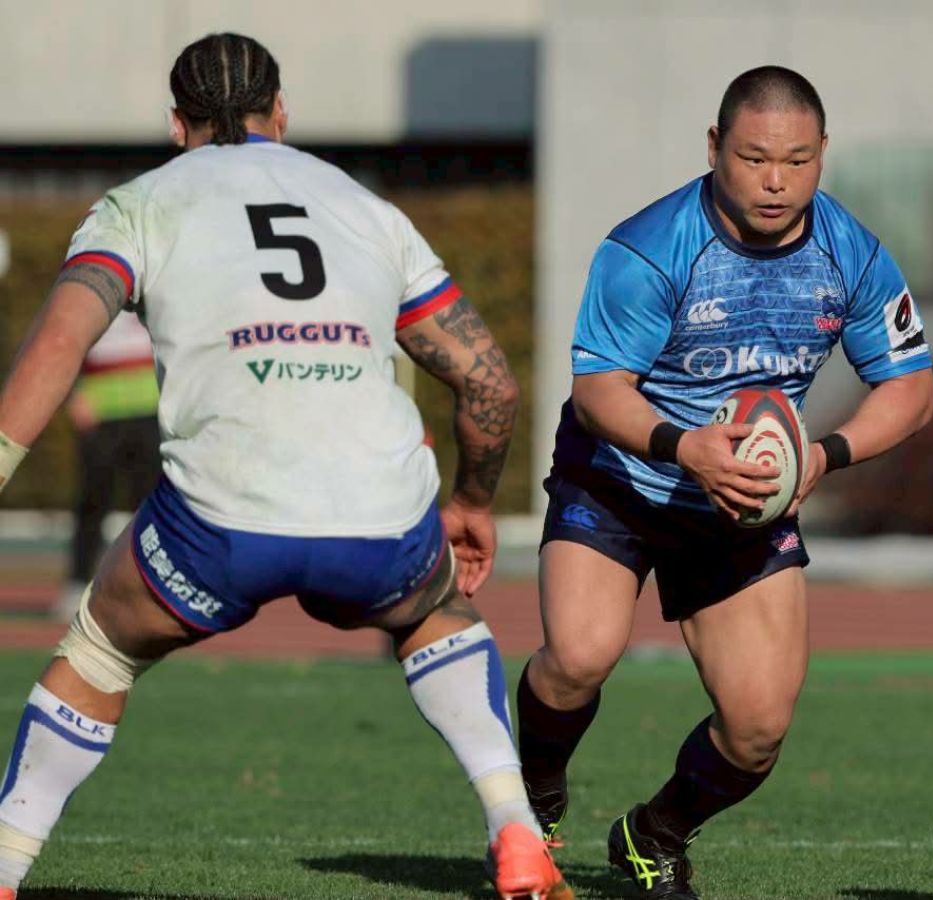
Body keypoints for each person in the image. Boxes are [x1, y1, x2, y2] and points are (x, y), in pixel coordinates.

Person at [0, 33, 569, 900]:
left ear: (177, 125)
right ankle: (517, 830)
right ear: (282, 114)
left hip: (221, 523)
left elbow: (58, 344)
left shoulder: (138, 204)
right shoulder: (367, 207)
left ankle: (4, 865)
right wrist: (471, 501)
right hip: (380, 516)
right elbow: (488, 379)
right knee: (437, 614)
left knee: (101, 650)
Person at [518, 66, 933, 898]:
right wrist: (687, 449)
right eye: (753, 158)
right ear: (714, 147)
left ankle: (654, 834)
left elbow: (912, 389)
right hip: (621, 480)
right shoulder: (648, 247)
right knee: (578, 657)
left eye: (797, 160)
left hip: (741, 506)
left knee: (756, 730)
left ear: (822, 154)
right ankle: (534, 789)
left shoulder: (851, 253)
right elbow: (599, 393)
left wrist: (824, 455)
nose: (775, 181)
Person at [58, 310, 161, 621]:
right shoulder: (91, 288)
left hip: (150, 408)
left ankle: (153, 587)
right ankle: (78, 584)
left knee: (151, 504)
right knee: (92, 501)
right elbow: (67, 337)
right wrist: (73, 392)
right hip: (100, 410)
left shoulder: (157, 287)